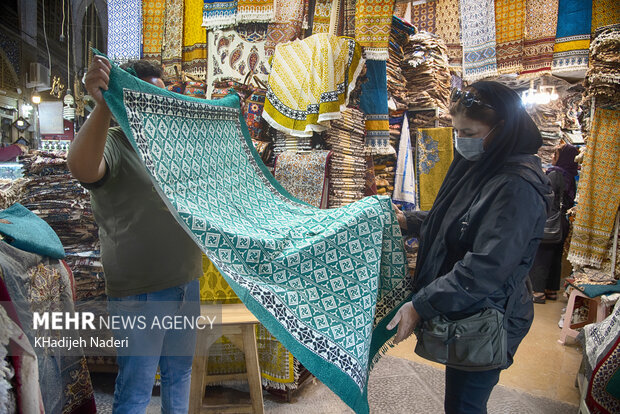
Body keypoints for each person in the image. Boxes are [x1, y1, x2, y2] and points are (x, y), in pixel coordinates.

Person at [388, 81, 552, 414]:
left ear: (502, 129)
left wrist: (421, 305)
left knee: (465, 405)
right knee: (460, 400)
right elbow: (456, 216)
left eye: (470, 132)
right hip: (468, 308)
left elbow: (486, 268)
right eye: (457, 131)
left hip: (488, 313)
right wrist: (409, 221)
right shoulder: (484, 164)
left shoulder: (516, 187)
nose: (462, 141)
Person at [67, 56, 203, 413]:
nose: (155, 108)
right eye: (143, 97)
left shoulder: (170, 149)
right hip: (141, 292)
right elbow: (82, 167)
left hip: (187, 281)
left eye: (159, 98)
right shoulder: (114, 141)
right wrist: (102, 106)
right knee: (137, 386)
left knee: (179, 374)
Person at [530, 143, 579, 303]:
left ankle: (537, 292)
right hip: (561, 222)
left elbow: (545, 196)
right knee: (555, 257)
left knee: (541, 256)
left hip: (549, 222)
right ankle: (551, 290)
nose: (552, 158)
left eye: (555, 155)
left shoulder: (555, 173)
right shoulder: (571, 175)